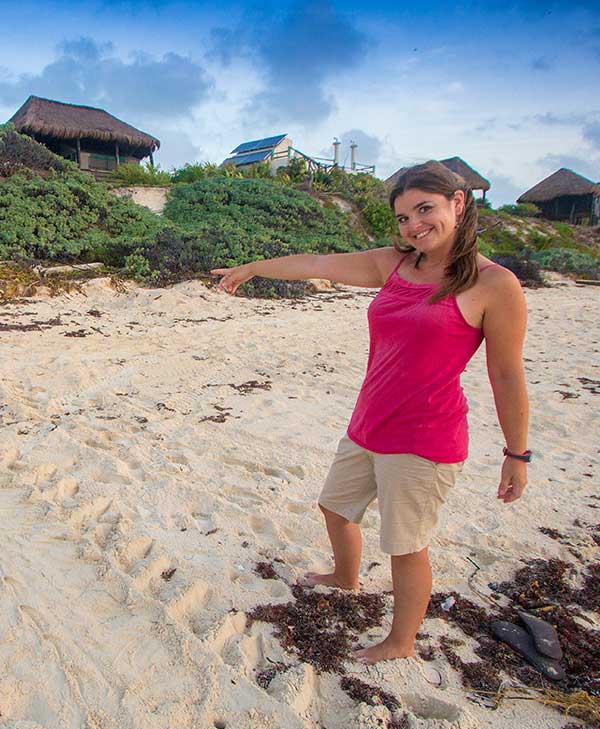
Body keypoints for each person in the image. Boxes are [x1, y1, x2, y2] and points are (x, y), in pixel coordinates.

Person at [211, 161, 529, 665]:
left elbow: (506, 374)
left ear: (458, 204)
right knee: (335, 508)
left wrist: (517, 453)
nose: (413, 225)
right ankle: (345, 576)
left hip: (425, 437)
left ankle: (401, 642)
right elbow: (317, 262)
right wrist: (253, 269)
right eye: (403, 217)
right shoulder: (395, 264)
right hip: (368, 424)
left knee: (405, 545)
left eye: (425, 209)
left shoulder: (495, 284)